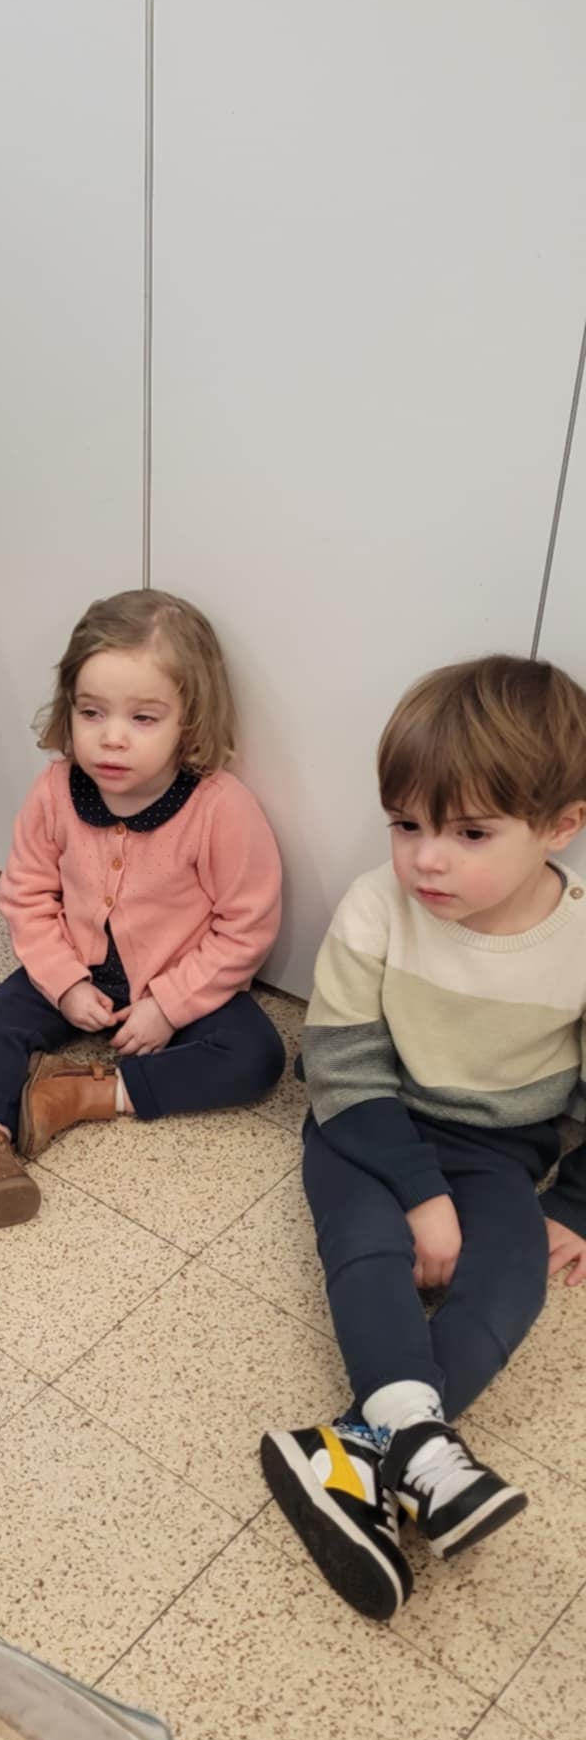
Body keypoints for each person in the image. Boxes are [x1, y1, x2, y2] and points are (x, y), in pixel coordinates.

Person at [261, 655, 586, 1621]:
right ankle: (413, 1444)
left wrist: (575, 1204)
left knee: (511, 1279)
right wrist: (418, 1192)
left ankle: (352, 1450)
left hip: (500, 1151)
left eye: (469, 833)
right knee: (368, 1248)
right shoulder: (376, 906)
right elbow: (341, 1064)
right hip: (366, 1124)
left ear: (562, 825)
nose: (426, 860)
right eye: (406, 825)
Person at [0, 589, 285, 1235]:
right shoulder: (55, 790)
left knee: (257, 1055)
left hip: (176, 979)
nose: (111, 738)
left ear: (190, 720)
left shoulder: (220, 808)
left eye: (144, 718)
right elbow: (26, 895)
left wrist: (170, 1005)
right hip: (76, 964)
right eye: (91, 711)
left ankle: (84, 1093)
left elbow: (246, 926)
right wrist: (65, 983)